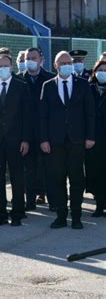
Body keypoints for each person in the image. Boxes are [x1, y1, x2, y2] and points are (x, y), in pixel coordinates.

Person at [40, 51, 95, 229]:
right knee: (58, 178)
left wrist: (90, 136)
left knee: (77, 178)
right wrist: (44, 139)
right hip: (55, 141)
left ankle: (77, 216)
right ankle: (61, 216)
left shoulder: (83, 84)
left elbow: (89, 113)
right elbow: (43, 116)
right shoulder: (47, 86)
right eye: (62, 63)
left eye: (68, 62)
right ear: (55, 66)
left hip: (77, 139)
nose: (66, 65)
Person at [0, 54, 31, 226]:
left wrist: (25, 139)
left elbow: (27, 115)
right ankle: (0, 212)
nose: (3, 68)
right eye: (0, 66)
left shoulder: (21, 87)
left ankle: (17, 212)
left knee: (17, 176)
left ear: (11, 66)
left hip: (16, 141)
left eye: (6, 65)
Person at [22, 47, 55, 209]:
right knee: (29, 168)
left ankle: (53, 200)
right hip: (27, 131)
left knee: (49, 167)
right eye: (28, 58)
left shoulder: (50, 78)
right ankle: (30, 201)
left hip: (47, 131)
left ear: (41, 60)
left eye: (34, 58)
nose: (30, 61)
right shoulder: (19, 79)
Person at [85, 60, 106, 217]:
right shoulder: (88, 88)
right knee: (95, 171)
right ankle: (99, 205)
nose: (103, 73)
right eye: (100, 69)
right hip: (93, 138)